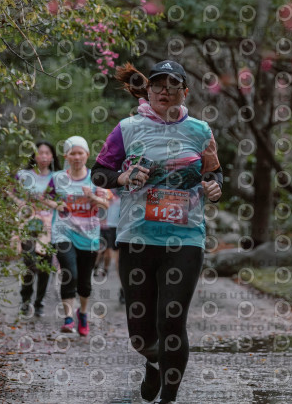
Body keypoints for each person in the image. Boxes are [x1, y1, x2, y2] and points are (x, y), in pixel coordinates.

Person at [92, 60, 223, 404]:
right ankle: (153, 361)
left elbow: (214, 172)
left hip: (186, 239)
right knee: (140, 333)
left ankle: (169, 397)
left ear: (185, 91)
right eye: (158, 85)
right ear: (148, 90)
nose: (165, 91)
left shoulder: (200, 130)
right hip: (137, 239)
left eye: (173, 85)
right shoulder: (127, 128)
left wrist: (214, 187)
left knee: (172, 319)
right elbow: (99, 173)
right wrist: (122, 177)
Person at [41, 136, 109, 337]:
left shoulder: (95, 178)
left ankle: (83, 313)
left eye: (80, 153)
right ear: (66, 156)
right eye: (73, 153)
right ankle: (68, 318)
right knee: (70, 272)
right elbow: (45, 198)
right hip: (64, 231)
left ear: (87, 155)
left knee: (84, 281)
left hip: (89, 235)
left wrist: (92, 197)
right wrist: (56, 204)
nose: (77, 157)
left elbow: (106, 203)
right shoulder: (58, 178)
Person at [11, 141, 61, 317]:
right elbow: (11, 195)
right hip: (27, 225)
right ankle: (25, 300)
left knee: (45, 265)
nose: (44, 156)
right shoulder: (23, 175)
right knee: (30, 263)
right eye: (40, 152)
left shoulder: (58, 177)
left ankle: (39, 302)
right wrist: (22, 205)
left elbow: (61, 201)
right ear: (34, 155)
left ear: (52, 156)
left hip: (49, 226)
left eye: (47, 153)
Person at [95, 188, 125, 303]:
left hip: (128, 225)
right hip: (112, 226)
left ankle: (124, 288)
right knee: (117, 260)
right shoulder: (110, 186)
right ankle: (123, 288)